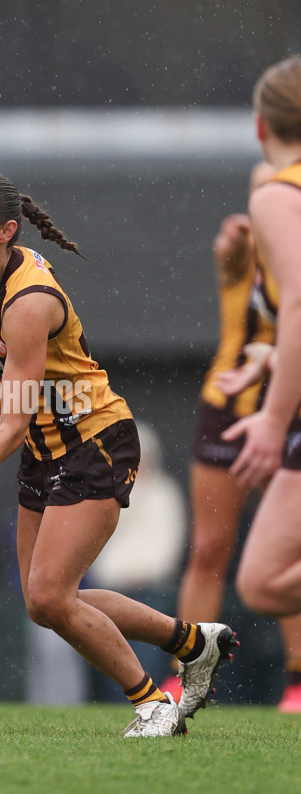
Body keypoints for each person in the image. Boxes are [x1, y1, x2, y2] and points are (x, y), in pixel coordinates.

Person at [0, 169, 237, 737]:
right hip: (46, 451)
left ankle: (154, 705)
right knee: (45, 603)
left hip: (96, 441)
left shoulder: (29, 302)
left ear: (6, 232)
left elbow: (16, 423)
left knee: (49, 594)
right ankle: (192, 642)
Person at [161, 160, 301, 713]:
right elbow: (230, 256)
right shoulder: (246, 246)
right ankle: (189, 678)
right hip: (227, 408)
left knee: (285, 557)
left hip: (286, 412)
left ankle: (298, 678)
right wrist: (233, 243)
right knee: (209, 549)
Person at [215, 57, 301, 674]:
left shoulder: (277, 192)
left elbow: (299, 301)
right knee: (264, 582)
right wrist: (268, 357)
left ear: (260, 127)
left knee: (264, 582)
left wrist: (272, 419)